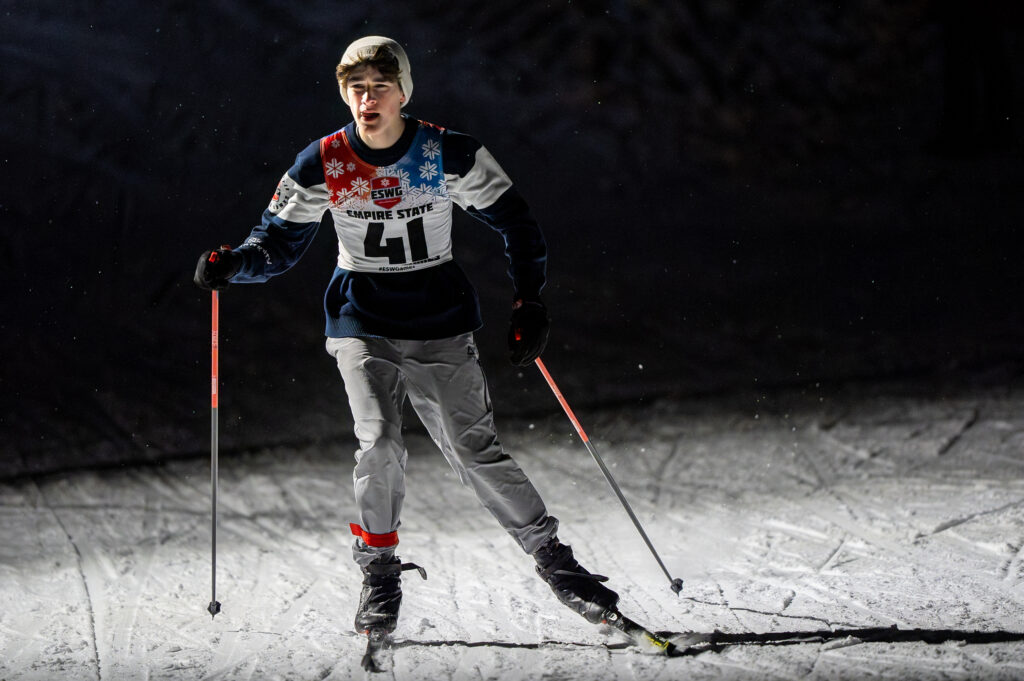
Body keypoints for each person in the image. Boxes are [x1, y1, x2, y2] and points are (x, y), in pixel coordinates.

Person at [194, 36, 618, 636]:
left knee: (473, 451)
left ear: (404, 92)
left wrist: (529, 299)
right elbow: (277, 242)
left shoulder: (446, 152)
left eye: (381, 87)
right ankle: (379, 576)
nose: (367, 100)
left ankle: (558, 565)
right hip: (361, 318)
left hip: (439, 316)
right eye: (356, 88)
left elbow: (516, 222)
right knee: (380, 442)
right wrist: (235, 262)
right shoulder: (322, 162)